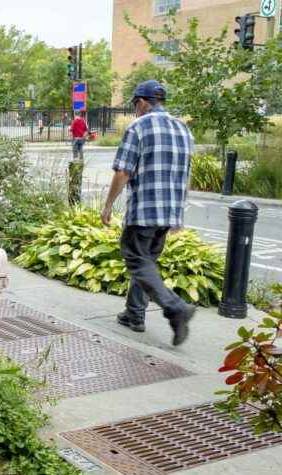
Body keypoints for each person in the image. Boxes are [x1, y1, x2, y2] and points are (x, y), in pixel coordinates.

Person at [101, 80, 196, 346]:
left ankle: (176, 308)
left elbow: (123, 171)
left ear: (143, 102)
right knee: (146, 263)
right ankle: (134, 315)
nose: (135, 110)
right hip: (169, 212)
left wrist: (108, 205)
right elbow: (186, 175)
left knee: (136, 259)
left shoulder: (139, 127)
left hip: (144, 209)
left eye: (135, 105)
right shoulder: (183, 129)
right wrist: (178, 212)